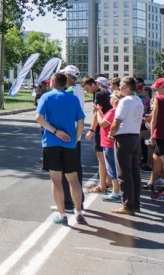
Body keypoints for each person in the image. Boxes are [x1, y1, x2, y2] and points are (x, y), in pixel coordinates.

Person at [35, 72, 86, 225]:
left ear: (52, 82)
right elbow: (81, 123)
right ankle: (79, 212)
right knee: (73, 179)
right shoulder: (73, 98)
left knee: (56, 179)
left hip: (51, 143)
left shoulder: (46, 97)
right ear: (65, 83)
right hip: (69, 144)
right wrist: (75, 139)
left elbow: (38, 118)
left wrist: (55, 131)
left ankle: (62, 214)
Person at [108, 76, 144, 215]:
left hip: (124, 137)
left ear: (127, 87)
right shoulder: (138, 100)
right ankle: (135, 202)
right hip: (134, 136)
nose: (119, 87)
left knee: (124, 173)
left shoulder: (125, 101)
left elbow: (117, 121)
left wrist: (111, 133)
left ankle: (128, 204)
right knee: (134, 171)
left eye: (121, 85)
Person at [60, 65, 85, 211]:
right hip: (75, 134)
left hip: (69, 135)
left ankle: (67, 201)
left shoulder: (71, 91)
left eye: (63, 73)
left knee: (67, 170)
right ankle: (78, 201)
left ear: (69, 76)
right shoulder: (77, 90)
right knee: (75, 169)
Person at [84, 76, 112, 193]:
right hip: (108, 126)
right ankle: (108, 181)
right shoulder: (104, 92)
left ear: (93, 84)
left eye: (87, 88)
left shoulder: (99, 94)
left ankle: (102, 185)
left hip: (102, 128)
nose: (87, 91)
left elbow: (97, 113)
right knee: (107, 157)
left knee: (101, 157)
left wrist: (91, 130)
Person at [96, 92, 122, 202]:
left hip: (109, 143)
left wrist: (98, 112)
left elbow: (102, 123)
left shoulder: (113, 111)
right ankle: (118, 191)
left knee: (112, 168)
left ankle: (116, 192)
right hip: (113, 142)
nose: (110, 100)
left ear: (115, 100)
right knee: (115, 167)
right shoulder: (119, 111)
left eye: (112, 98)